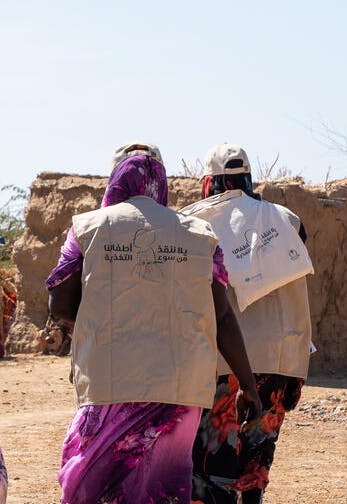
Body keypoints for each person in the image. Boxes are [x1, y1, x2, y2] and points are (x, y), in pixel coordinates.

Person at [46, 144, 264, 504]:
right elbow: (222, 317)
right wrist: (250, 386)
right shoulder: (201, 235)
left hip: (109, 382)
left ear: (115, 182)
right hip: (179, 388)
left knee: (92, 486)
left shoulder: (86, 229)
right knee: (160, 486)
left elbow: (60, 303)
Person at [188, 144, 313, 504]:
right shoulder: (287, 221)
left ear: (210, 181)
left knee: (214, 464)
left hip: (223, 364)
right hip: (279, 364)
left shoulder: (195, 223)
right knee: (257, 458)